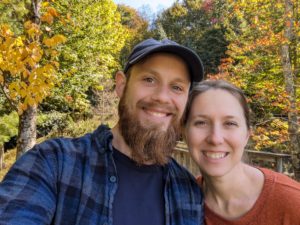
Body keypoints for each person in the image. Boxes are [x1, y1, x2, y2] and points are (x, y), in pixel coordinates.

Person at [0, 39, 205, 225]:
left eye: (177, 87)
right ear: (121, 85)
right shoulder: (54, 163)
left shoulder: (189, 191)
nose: (162, 97)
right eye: (149, 79)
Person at [182, 79, 300, 225]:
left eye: (230, 123)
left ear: (247, 135)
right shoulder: (180, 200)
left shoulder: (292, 203)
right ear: (184, 132)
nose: (215, 138)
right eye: (201, 122)